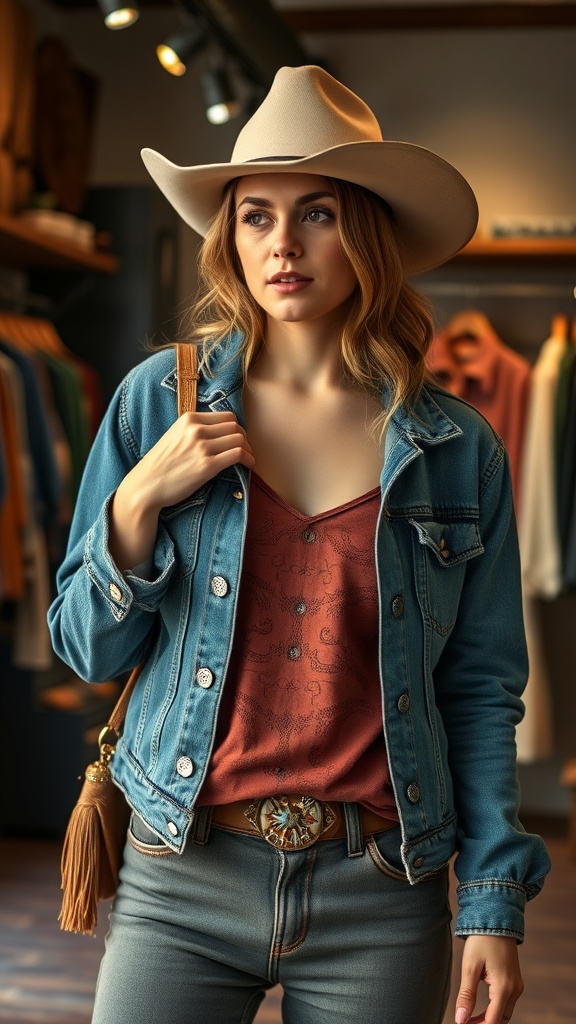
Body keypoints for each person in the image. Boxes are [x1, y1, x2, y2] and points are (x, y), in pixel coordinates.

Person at [48, 65, 550, 1024]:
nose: (283, 244)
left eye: (317, 213)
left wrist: (493, 903)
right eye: (256, 216)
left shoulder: (456, 449)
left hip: (381, 888)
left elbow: (481, 689)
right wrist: (139, 499)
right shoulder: (159, 403)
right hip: (182, 871)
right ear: (229, 238)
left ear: (367, 234)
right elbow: (86, 647)